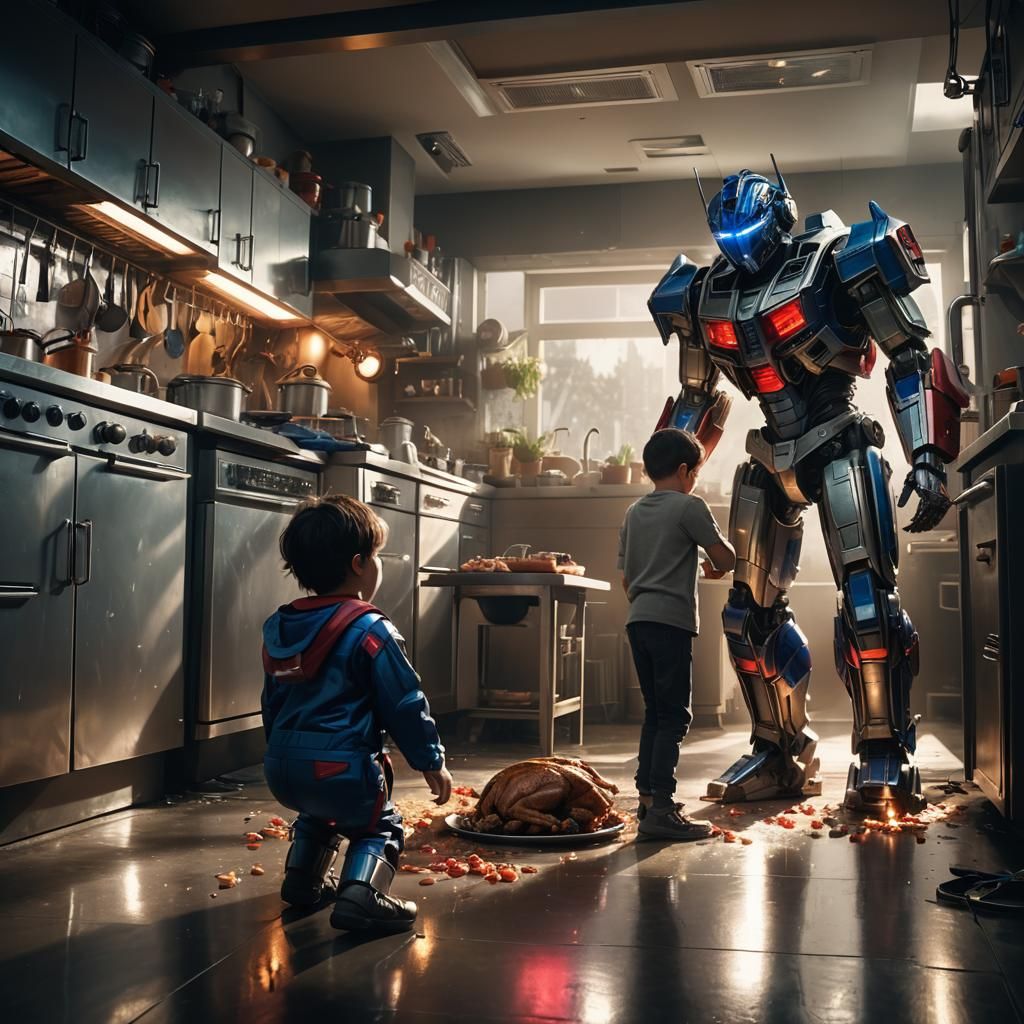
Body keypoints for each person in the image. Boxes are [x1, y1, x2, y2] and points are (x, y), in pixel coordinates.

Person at [261, 495, 452, 933]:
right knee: (377, 825)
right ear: (359, 564)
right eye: (377, 556)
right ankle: (362, 896)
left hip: (282, 769)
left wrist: (282, 750)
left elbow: (271, 702)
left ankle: (303, 881)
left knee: (317, 814)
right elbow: (404, 703)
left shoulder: (280, 628)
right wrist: (431, 761)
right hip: (342, 770)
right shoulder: (371, 629)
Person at [619, 428, 736, 840]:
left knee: (655, 712)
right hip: (671, 622)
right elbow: (727, 557)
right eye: (696, 473)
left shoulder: (634, 512)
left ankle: (648, 800)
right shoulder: (690, 507)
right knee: (675, 716)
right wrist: (709, 558)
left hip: (638, 620)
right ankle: (663, 811)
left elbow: (627, 577)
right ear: (685, 471)